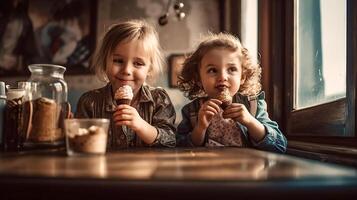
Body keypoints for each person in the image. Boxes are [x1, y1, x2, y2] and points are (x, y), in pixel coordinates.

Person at [176, 32, 287, 153]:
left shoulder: (253, 106)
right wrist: (200, 128)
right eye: (213, 70)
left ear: (242, 77)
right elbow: (181, 148)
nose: (222, 77)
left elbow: (279, 146)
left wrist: (250, 121)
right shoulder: (191, 111)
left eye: (232, 69)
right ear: (198, 79)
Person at [75, 20, 176, 148]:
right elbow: (79, 143)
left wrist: (141, 126)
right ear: (105, 62)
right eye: (118, 60)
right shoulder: (89, 102)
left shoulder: (159, 99)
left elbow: (170, 140)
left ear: (149, 69)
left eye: (138, 63)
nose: (127, 70)